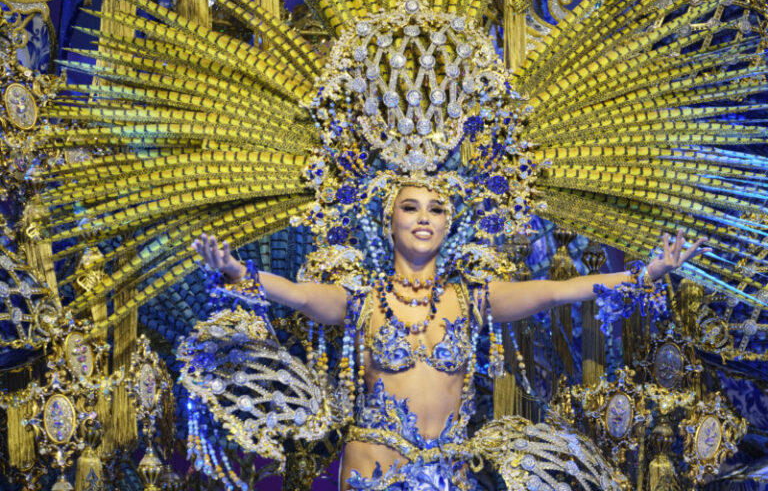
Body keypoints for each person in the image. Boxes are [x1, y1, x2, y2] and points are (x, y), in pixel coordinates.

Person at [192, 185, 708, 490]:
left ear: (447, 223)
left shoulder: (473, 298)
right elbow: (300, 295)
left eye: (436, 209)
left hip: (448, 473)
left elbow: (557, 291)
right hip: (373, 469)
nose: (423, 217)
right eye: (410, 207)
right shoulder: (361, 299)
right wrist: (240, 272)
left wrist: (646, 273)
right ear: (389, 221)